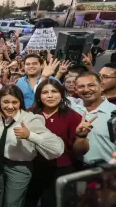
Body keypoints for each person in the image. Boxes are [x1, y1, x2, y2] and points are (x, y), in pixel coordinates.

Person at [0, 85, 65, 207]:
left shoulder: (30, 119)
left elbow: (57, 148)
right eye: (5, 102)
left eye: (14, 102)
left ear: (20, 102)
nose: (10, 106)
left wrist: (30, 135)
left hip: (19, 167)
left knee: (12, 203)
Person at [25, 79, 92, 207]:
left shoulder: (72, 116)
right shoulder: (30, 114)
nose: (50, 95)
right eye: (45, 92)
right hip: (32, 169)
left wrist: (81, 137)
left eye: (54, 91)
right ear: (39, 96)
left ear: (61, 94)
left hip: (61, 170)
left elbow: (80, 150)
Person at [71, 72, 116, 164]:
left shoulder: (114, 112)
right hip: (78, 170)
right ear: (76, 90)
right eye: (81, 86)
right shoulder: (73, 110)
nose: (86, 90)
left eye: (91, 85)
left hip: (109, 171)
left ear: (101, 86)